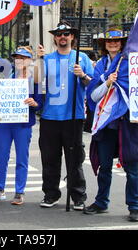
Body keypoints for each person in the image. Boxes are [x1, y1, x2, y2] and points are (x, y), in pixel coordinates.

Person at [83, 29, 138, 222]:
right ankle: (102, 202)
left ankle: (134, 207)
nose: (112, 44)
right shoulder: (101, 65)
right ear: (104, 44)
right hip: (106, 124)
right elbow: (94, 95)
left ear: (122, 43)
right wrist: (107, 82)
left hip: (127, 123)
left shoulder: (131, 63)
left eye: (116, 41)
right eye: (109, 41)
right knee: (105, 167)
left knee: (131, 168)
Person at [35, 22, 94, 210]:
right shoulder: (46, 59)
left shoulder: (81, 58)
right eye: (59, 34)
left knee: (74, 159)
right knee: (50, 158)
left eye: (66, 34)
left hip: (73, 117)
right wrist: (38, 60)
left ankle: (78, 195)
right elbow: (35, 82)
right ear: (54, 38)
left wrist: (82, 74)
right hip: (50, 117)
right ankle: (51, 194)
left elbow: (92, 86)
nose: (63, 37)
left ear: (72, 37)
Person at [0, 45, 43, 205]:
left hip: (23, 124)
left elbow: (40, 103)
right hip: (5, 122)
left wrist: (34, 103)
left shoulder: (35, 79)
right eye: (17, 57)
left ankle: (19, 192)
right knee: (2, 157)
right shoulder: (9, 74)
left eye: (23, 57)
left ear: (30, 61)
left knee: (21, 158)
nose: (19, 60)